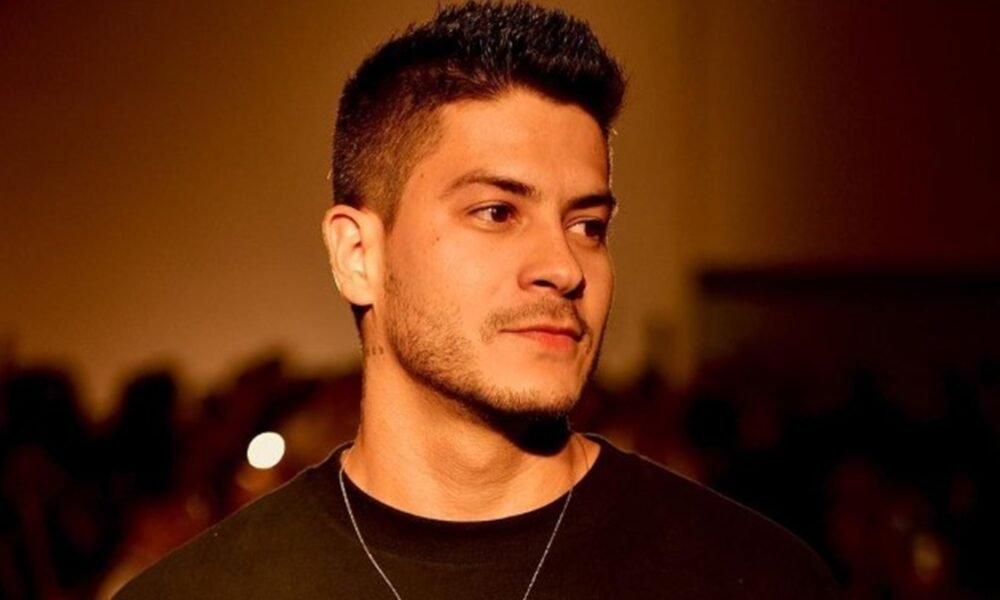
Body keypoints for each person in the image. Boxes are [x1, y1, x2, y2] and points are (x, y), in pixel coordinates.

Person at [116, 2, 838, 598]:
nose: (564, 267)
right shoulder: (205, 591)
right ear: (358, 256)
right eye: (497, 212)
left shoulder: (752, 578)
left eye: (588, 225)